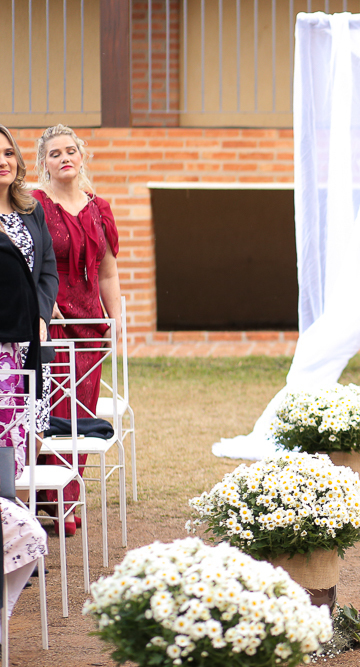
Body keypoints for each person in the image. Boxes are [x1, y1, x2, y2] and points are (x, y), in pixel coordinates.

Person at [33, 124, 122, 536]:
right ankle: (43, 499)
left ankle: (66, 497)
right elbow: (29, 264)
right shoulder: (32, 205)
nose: (64, 158)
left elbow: (107, 271)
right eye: (55, 153)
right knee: (51, 409)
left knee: (80, 413)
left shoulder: (99, 207)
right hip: (49, 319)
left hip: (88, 320)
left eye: (71, 151)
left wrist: (113, 318)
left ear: (81, 157)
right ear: (43, 163)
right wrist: (44, 308)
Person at [0, 200, 49, 627]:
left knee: (12, 447)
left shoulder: (28, 216)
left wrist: (39, 318)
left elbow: (43, 272)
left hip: (13, 353)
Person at [0, 126, 58, 438]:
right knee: (4, 435)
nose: (3, 161)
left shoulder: (32, 210)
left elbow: (48, 270)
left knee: (33, 430)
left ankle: (23, 491)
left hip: (31, 342)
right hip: (1, 342)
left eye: (8, 153)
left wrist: (41, 316)